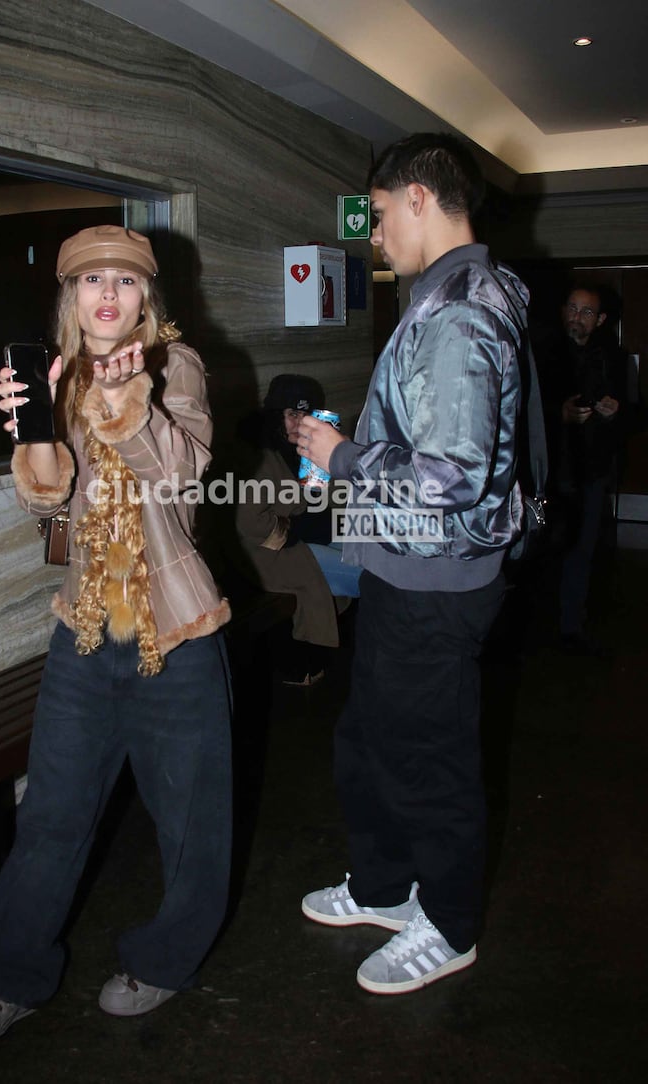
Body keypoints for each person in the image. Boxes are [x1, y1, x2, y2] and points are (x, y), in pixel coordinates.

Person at [0, 225, 233, 1041]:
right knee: (51, 817)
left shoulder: (174, 366)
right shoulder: (54, 374)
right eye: (90, 282)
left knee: (191, 826)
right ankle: (13, 978)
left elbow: (183, 478)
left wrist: (121, 404)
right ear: (70, 297)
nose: (107, 295)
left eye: (124, 280)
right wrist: (38, 430)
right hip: (82, 633)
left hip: (175, 634)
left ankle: (164, 962)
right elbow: (47, 508)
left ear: (147, 296)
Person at [297, 133, 526, 995]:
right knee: (371, 742)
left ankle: (451, 926)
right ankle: (388, 889)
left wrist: (344, 453)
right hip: (408, 571)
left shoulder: (458, 308)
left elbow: (453, 476)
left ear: (419, 198)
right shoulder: (454, 294)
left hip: (433, 579)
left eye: (381, 213)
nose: (375, 234)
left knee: (426, 757)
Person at [234, 374, 360, 685]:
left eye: (305, 415)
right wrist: (296, 529)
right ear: (276, 416)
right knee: (368, 574)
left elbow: (310, 504)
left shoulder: (296, 450)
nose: (298, 423)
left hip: (294, 539)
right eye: (291, 414)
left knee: (364, 548)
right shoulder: (260, 454)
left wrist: (320, 466)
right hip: (263, 553)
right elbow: (249, 523)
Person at [535, 284, 625, 654]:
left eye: (586, 312)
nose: (576, 317)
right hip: (548, 471)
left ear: (600, 320)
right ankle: (535, 626)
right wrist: (560, 415)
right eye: (572, 308)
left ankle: (571, 625)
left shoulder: (612, 359)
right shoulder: (542, 355)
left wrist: (616, 411)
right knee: (539, 548)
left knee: (582, 550)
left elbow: (632, 412)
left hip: (590, 471)